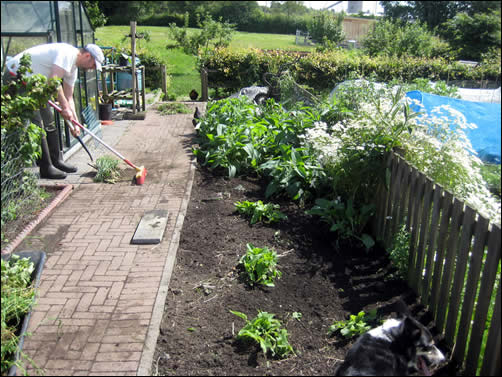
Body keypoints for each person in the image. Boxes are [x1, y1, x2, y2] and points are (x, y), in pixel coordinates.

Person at [4, 43, 104, 179]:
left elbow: (69, 97)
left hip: (36, 84)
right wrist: (64, 108)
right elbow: (54, 82)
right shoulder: (67, 53)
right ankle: (46, 168)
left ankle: (56, 161)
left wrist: (75, 123)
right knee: (37, 123)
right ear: (87, 56)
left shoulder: (73, 68)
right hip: (16, 77)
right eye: (93, 65)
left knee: (49, 121)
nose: (92, 69)